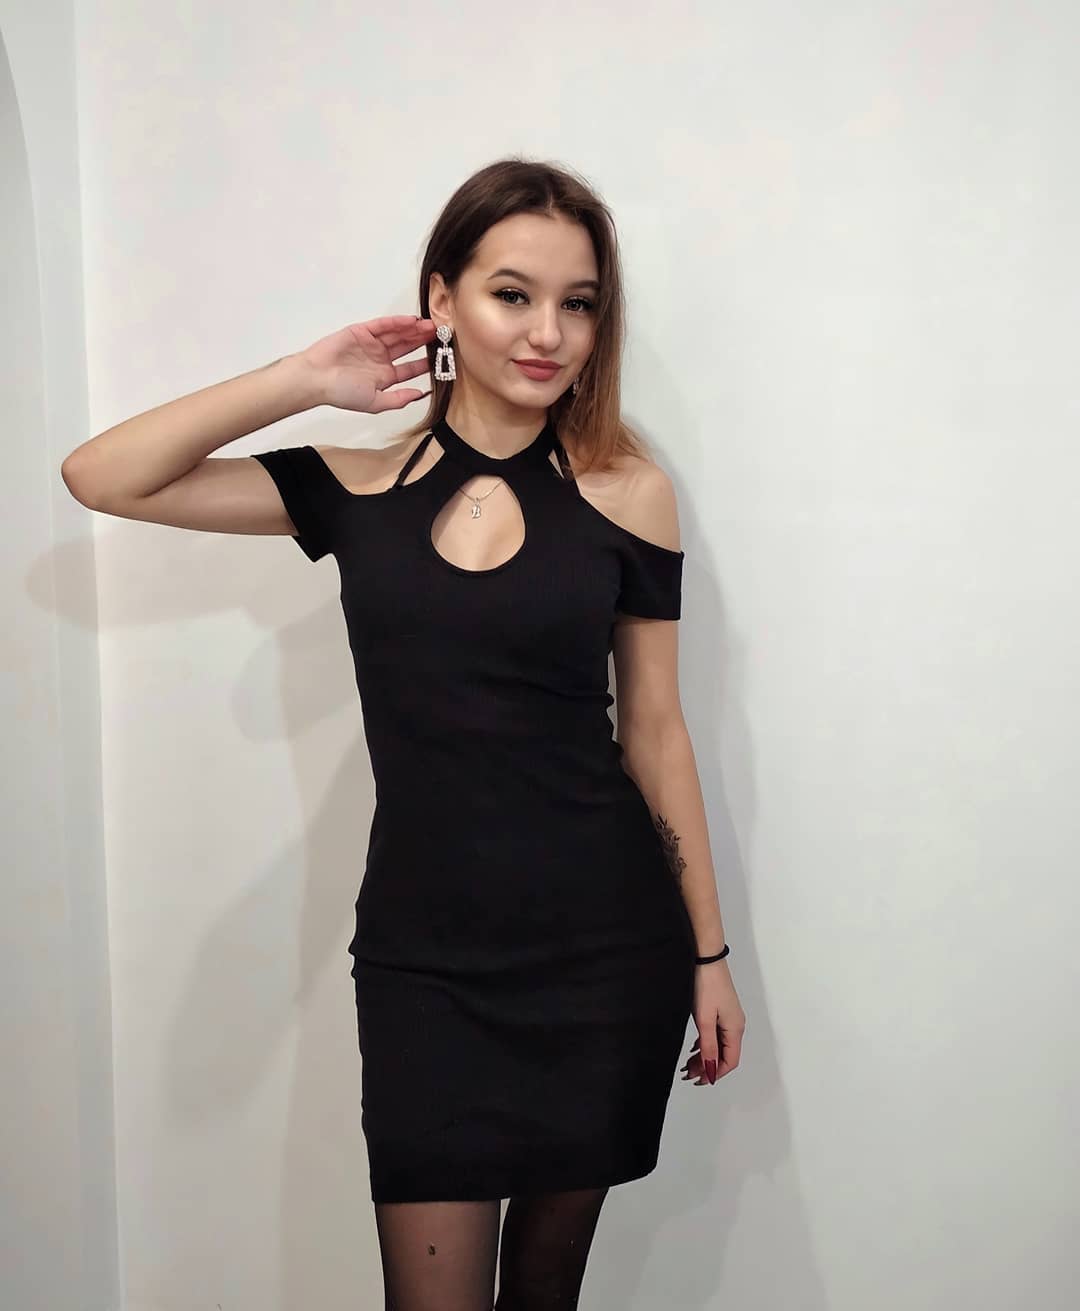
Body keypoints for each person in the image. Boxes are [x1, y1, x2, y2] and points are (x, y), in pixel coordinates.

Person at [61, 156, 746, 1310]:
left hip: (603, 953)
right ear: (442, 299)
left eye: (579, 303)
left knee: (544, 1298)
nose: (549, 333)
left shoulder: (628, 492)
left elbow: (657, 731)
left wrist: (710, 957)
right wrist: (302, 379)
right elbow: (103, 476)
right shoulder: (356, 488)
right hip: (427, 966)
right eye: (512, 293)